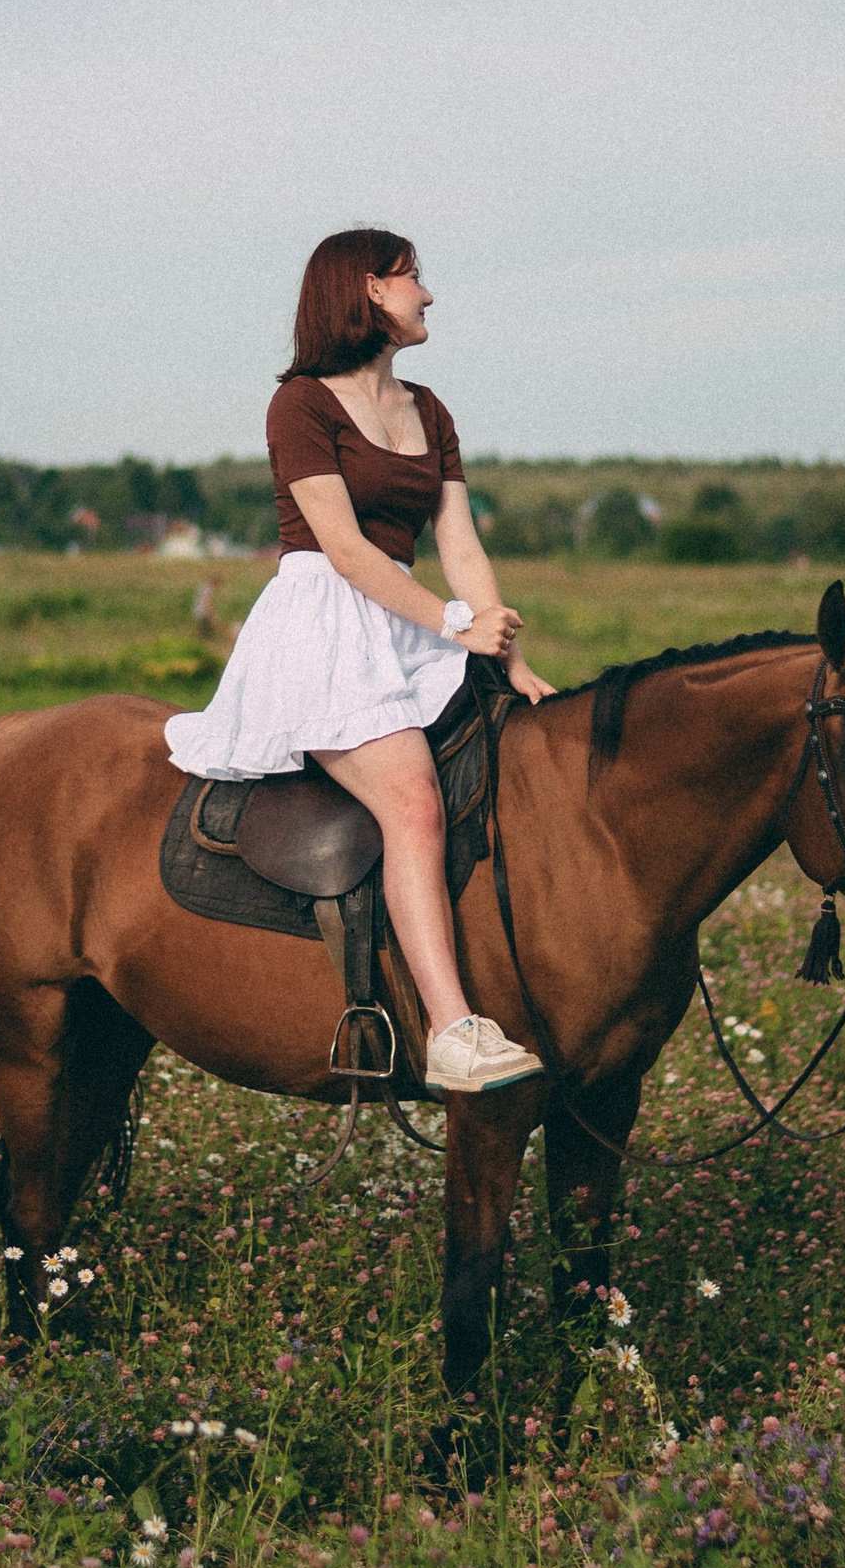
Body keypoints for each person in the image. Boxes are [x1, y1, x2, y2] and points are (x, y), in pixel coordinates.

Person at [163, 228, 556, 1095]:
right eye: (413, 277)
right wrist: (455, 625)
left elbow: (459, 539)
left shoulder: (432, 408)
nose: (427, 293)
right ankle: (452, 1030)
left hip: (409, 618)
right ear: (369, 290)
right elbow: (341, 548)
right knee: (412, 798)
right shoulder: (300, 404)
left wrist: (506, 651)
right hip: (324, 623)